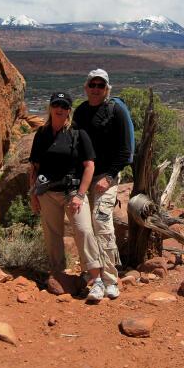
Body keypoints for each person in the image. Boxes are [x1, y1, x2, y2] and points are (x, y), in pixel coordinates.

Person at [29, 91, 107, 302]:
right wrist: (34, 195)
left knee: (83, 231)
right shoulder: (42, 134)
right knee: (52, 236)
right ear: (50, 107)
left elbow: (89, 166)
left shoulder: (77, 133)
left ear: (68, 110)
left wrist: (80, 195)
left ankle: (97, 281)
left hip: (72, 193)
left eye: (64, 106)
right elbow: (35, 168)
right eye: (56, 104)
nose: (60, 108)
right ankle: (59, 276)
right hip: (47, 193)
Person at [72, 69, 132, 299]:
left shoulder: (115, 111)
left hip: (107, 176)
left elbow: (125, 150)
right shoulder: (81, 111)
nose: (96, 89)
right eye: (92, 84)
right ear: (86, 87)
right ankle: (92, 273)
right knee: (84, 226)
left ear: (107, 89)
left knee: (101, 222)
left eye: (101, 85)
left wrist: (108, 177)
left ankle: (110, 279)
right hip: (83, 177)